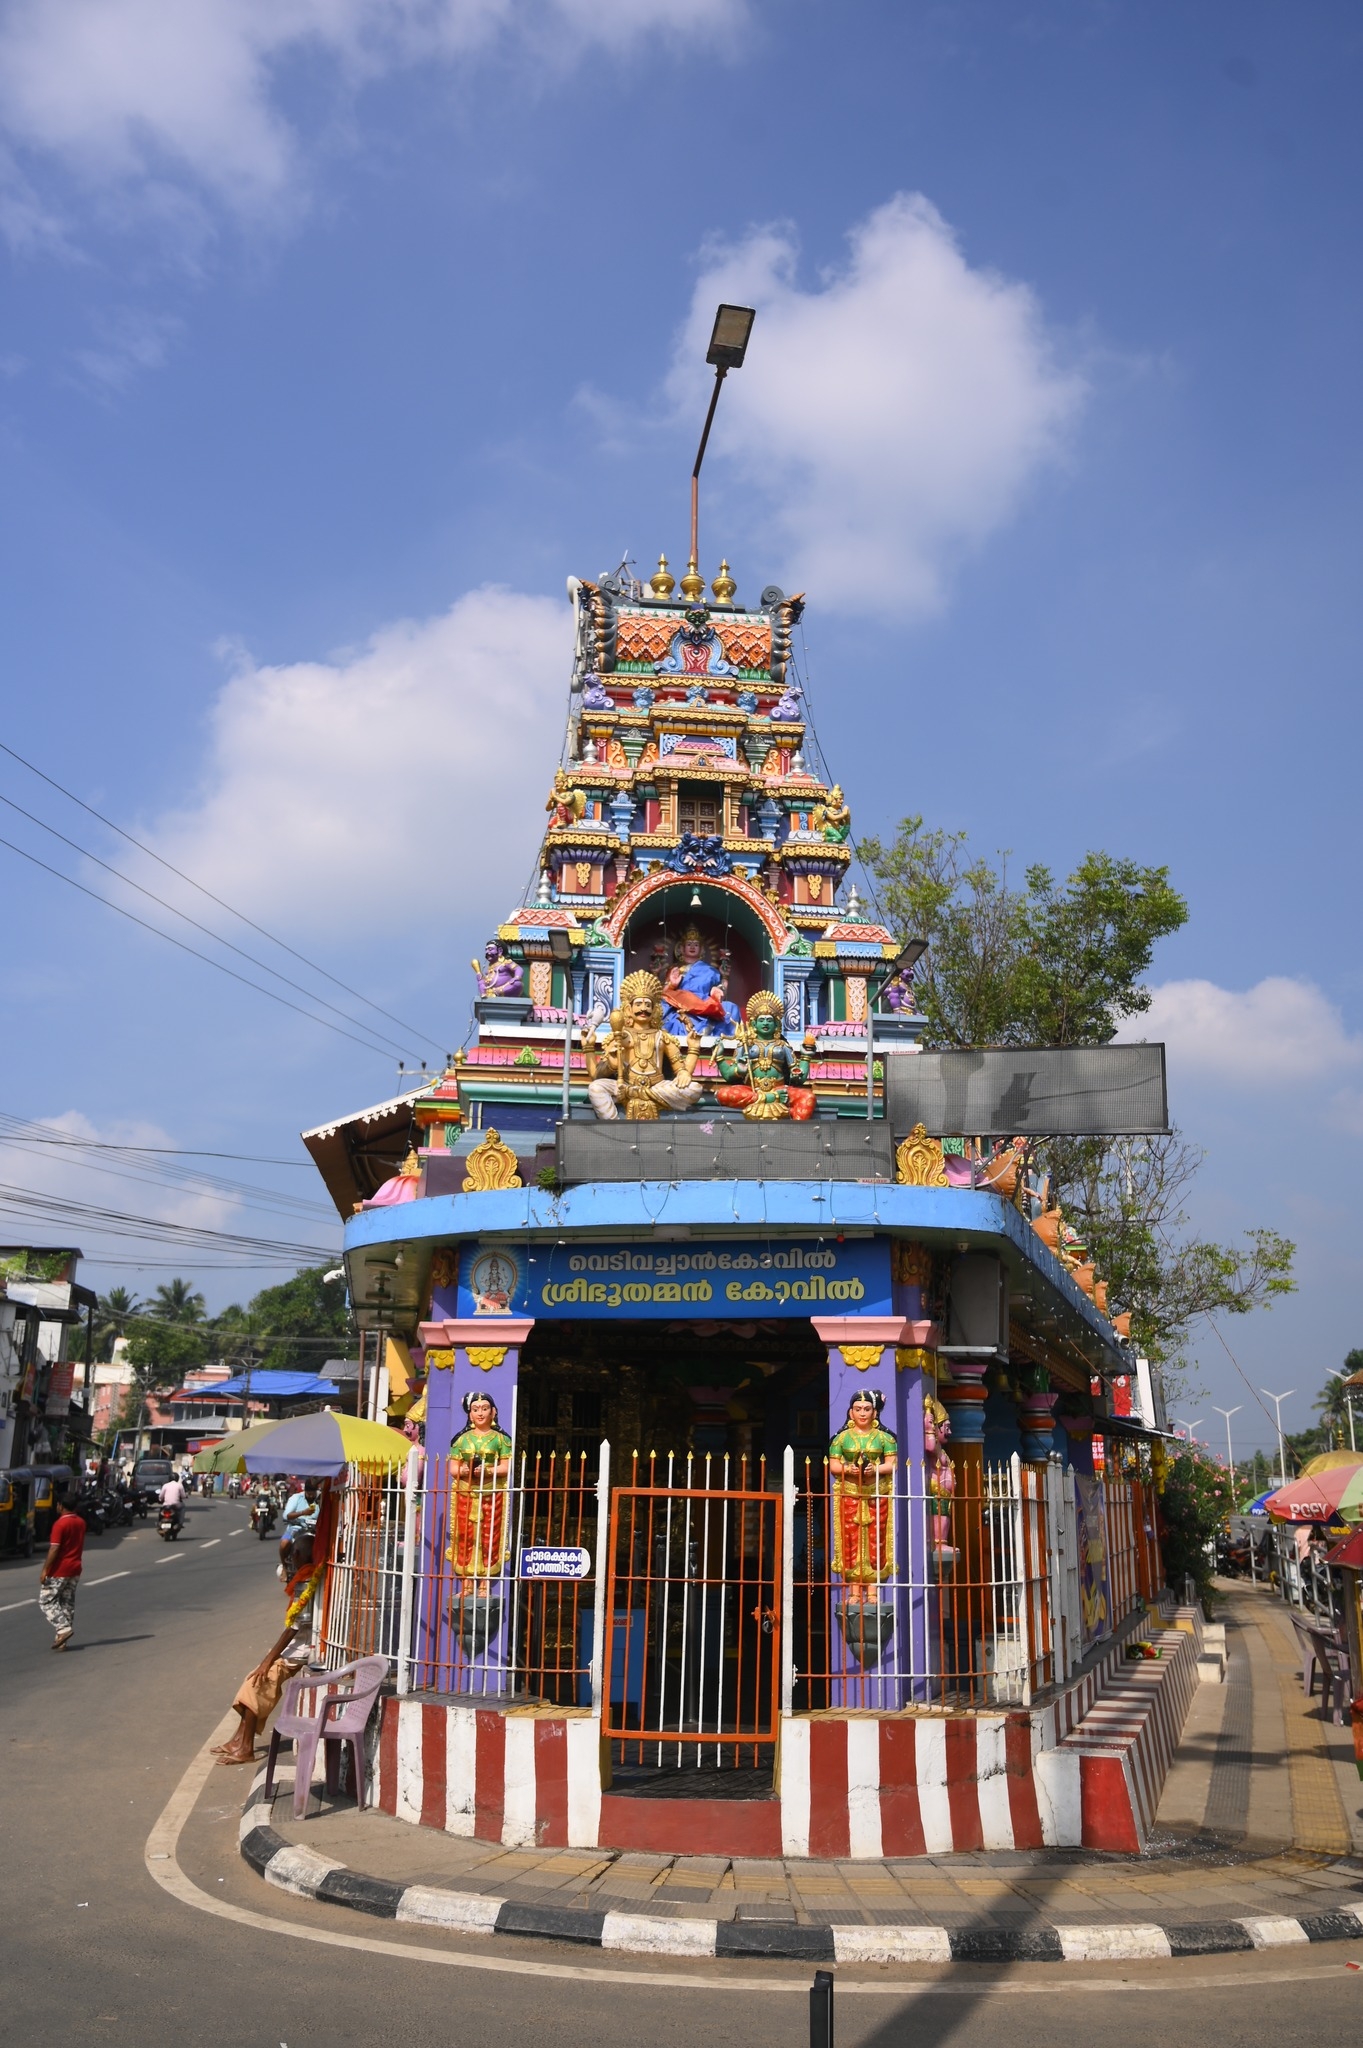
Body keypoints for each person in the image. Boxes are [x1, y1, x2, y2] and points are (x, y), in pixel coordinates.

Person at [213, 1535, 324, 1765]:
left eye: (294, 1554)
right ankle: (238, 1740)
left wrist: (268, 1661)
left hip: (300, 1651)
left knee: (255, 1685)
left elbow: (292, 1630)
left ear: (299, 1555)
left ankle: (246, 1749)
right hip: (296, 1647)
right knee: (251, 1681)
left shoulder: (308, 1580)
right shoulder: (308, 1576)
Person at [39, 1494, 89, 1650]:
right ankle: (62, 1640)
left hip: (60, 1569)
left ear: (60, 1506)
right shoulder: (80, 1522)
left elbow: (54, 1548)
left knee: (46, 1601)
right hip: (75, 1568)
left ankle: (63, 1629)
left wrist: (45, 1569)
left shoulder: (60, 1524)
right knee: (66, 1603)